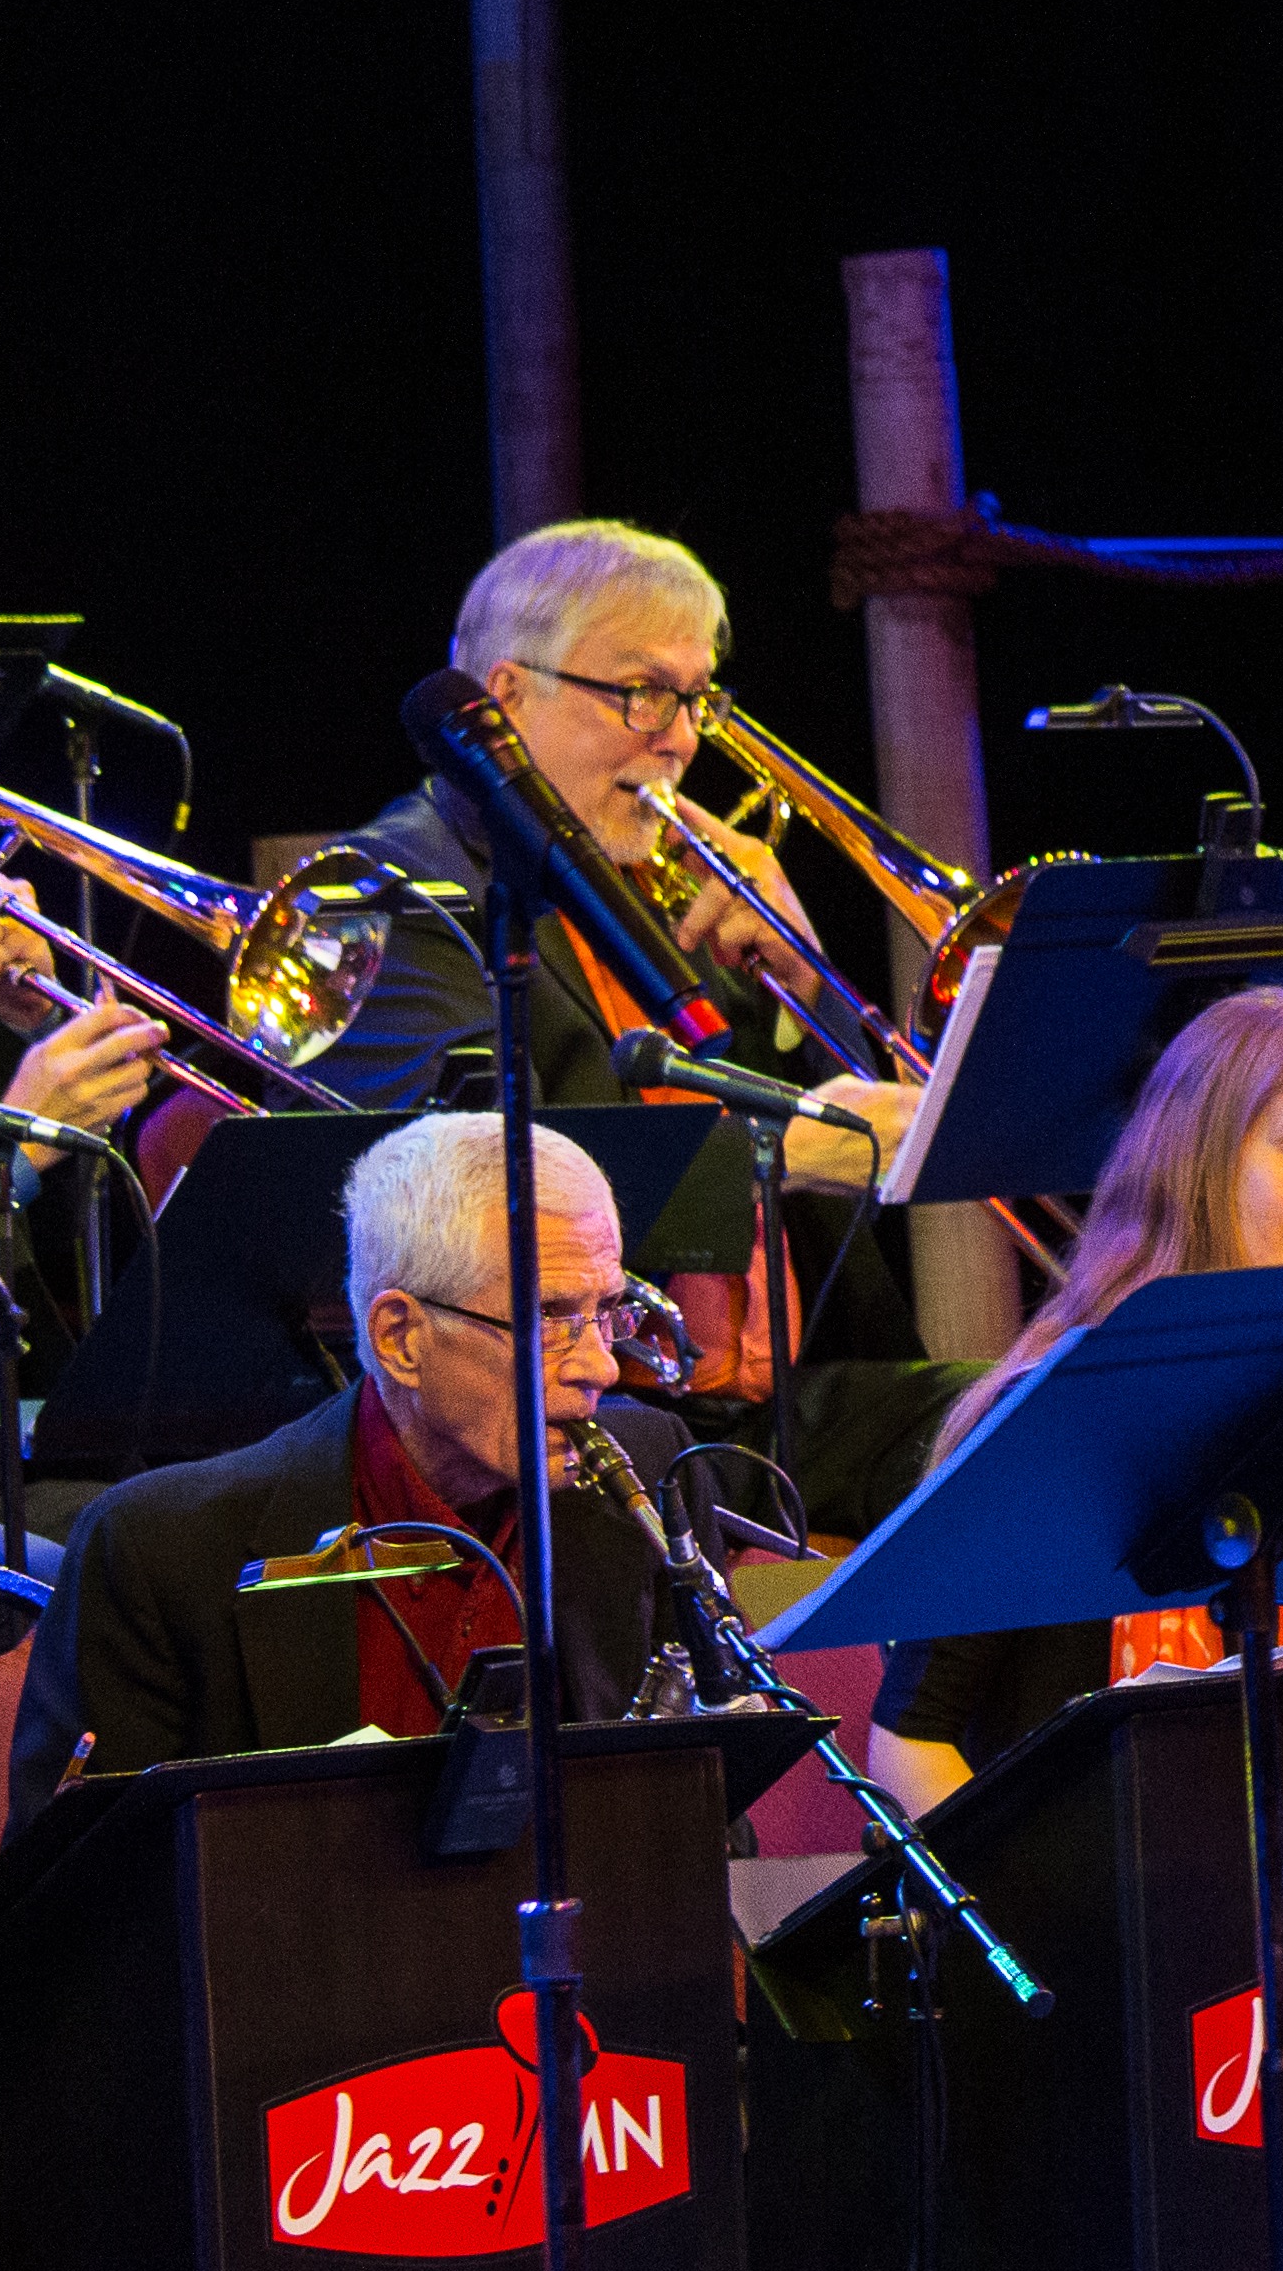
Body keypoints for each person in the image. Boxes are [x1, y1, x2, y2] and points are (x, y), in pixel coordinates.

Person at [307, 520, 969, 1536]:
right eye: (643, 692)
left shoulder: (671, 876)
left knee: (1039, 1415)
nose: (681, 738)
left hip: (779, 1407)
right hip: (570, 1416)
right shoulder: (385, 893)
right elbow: (473, 1191)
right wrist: (777, 1152)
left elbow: (851, 1148)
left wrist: (803, 979)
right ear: (504, 697)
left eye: (696, 698)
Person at [4, 1113, 713, 1829]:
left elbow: (707, 1817)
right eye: (549, 1317)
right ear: (400, 1338)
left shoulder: (654, 1475)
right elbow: (77, 1884)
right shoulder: (158, 1553)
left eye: (609, 1311)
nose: (601, 1366)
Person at [863, 987, 1283, 1812]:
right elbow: (908, 1744)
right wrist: (1019, 1892)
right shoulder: (1058, 1416)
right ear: (1201, 1160)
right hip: (1085, 1869)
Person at [0, 596, 166, 1583]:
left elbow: (25, 1238)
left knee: (220, 1528)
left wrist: (24, 1020)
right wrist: (20, 1135)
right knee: (115, 1588)